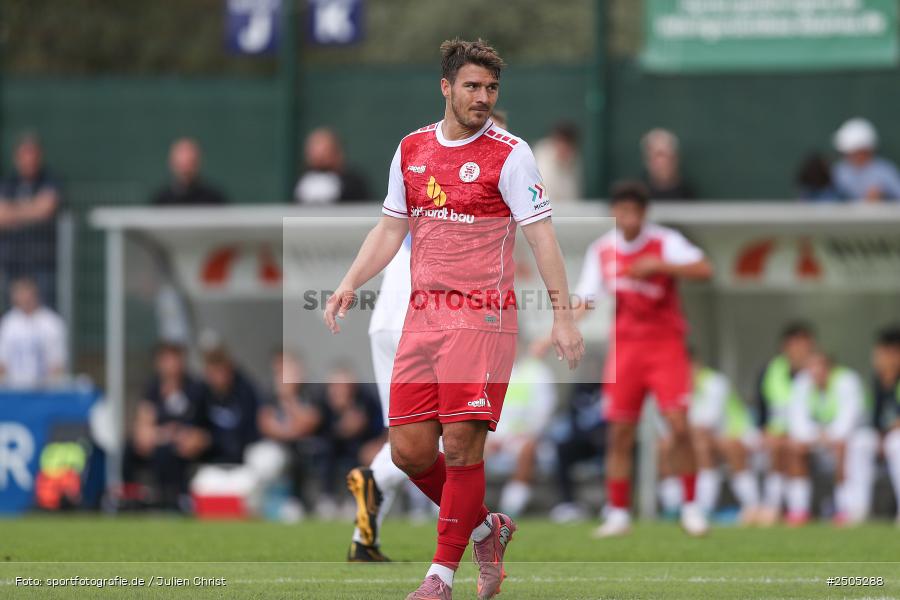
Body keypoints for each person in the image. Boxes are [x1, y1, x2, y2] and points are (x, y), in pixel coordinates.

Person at [323, 38, 584, 600]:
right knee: (408, 452)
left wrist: (562, 318)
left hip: (482, 319)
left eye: (491, 88)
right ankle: (487, 529)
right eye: (472, 86)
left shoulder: (512, 154)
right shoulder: (411, 148)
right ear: (446, 87)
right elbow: (390, 229)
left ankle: (439, 577)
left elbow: (543, 239)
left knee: (463, 449)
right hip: (423, 318)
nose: (483, 97)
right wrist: (348, 283)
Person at [568, 180, 713, 538]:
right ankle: (618, 513)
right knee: (620, 432)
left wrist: (662, 266)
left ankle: (691, 507)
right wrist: (563, 327)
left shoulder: (665, 242)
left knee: (679, 425)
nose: (629, 218)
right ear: (613, 212)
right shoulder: (602, 249)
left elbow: (704, 269)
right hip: (627, 349)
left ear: (644, 213)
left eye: (635, 211)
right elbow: (587, 297)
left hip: (665, 345)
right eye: (622, 210)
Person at [660, 352, 760, 523]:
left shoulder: (715, 383)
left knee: (702, 446)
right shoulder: (672, 387)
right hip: (704, 440)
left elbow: (707, 425)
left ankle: (712, 507)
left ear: (697, 365)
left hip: (739, 435)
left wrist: (681, 433)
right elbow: (669, 428)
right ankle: (673, 508)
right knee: (664, 447)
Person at [785, 351, 869, 525]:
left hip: (847, 439)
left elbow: (848, 421)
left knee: (842, 446)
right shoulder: (802, 382)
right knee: (794, 447)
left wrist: (828, 436)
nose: (816, 372)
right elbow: (796, 421)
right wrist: (816, 436)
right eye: (811, 367)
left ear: (830, 368)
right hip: (817, 440)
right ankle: (799, 509)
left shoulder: (847, 381)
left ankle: (844, 507)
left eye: (820, 367)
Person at [125, 342, 210, 510]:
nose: (171, 365)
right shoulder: (153, 389)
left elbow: (201, 430)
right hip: (161, 441)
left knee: (171, 451)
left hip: (186, 444)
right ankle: (131, 498)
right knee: (130, 448)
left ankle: (175, 500)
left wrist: (183, 436)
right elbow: (143, 426)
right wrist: (164, 435)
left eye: (174, 359)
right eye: (166, 360)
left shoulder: (195, 389)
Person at [755, 322, 816, 525]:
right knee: (777, 446)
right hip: (777, 433)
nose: (799, 350)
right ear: (784, 346)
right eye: (794, 344)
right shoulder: (771, 370)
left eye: (803, 344)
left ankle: (798, 509)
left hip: (812, 433)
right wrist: (765, 431)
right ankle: (772, 507)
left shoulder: (818, 370)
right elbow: (762, 409)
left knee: (791, 448)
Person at [484, 349, 557, 518]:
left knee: (527, 449)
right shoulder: (489, 371)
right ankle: (460, 506)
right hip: (493, 437)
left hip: (524, 437)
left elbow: (544, 412)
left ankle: (511, 507)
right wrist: (491, 436)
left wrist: (522, 434)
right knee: (466, 450)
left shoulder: (538, 372)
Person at [0, 134, 62, 308]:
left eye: (32, 155)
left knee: (45, 310)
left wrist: (14, 212)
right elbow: (1, 215)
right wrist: (31, 209)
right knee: (12, 313)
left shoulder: (50, 180)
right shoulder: (8, 182)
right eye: (24, 155)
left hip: (42, 261)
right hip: (12, 261)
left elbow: (45, 209)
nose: (28, 161)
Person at [315, 363, 385, 516]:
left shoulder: (366, 399)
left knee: (359, 456)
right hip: (332, 447)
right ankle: (327, 497)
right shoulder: (323, 401)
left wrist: (377, 443)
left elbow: (380, 426)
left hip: (362, 445)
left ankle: (354, 499)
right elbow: (321, 429)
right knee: (326, 453)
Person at [0, 277, 67, 388]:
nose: (24, 298)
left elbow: (57, 364)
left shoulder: (51, 323)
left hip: (43, 390)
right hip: (13, 389)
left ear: (35, 295)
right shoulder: (8, 323)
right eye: (20, 294)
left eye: (26, 294)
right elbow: (2, 364)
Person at [200, 346, 261, 464]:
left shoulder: (245, 391)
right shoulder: (202, 393)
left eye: (221, 371)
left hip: (245, 454)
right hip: (214, 458)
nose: (219, 378)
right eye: (213, 372)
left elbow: (250, 431)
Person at [870, 326, 900, 524]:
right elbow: (877, 419)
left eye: (882, 353)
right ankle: (855, 508)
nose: (878, 358)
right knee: (862, 441)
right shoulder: (879, 381)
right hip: (886, 435)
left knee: (896, 443)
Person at [294, 128, 370, 204]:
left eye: (324, 151)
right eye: (314, 150)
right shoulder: (303, 181)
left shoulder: (353, 184)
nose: (319, 157)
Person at [831, 118, 900, 202]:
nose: (851, 156)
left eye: (855, 152)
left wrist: (884, 197)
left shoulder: (885, 171)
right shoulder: (839, 171)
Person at [151, 138, 228, 205]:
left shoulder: (214, 199)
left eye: (190, 164)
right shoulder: (160, 200)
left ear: (198, 163)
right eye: (181, 165)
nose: (186, 170)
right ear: (172, 164)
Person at [640, 128, 695, 201]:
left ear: (675, 158)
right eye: (657, 155)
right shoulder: (637, 192)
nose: (661, 162)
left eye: (664, 155)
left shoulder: (687, 193)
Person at [532, 122, 582, 202]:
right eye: (561, 141)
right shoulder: (541, 157)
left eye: (567, 143)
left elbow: (573, 197)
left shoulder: (574, 163)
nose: (563, 147)